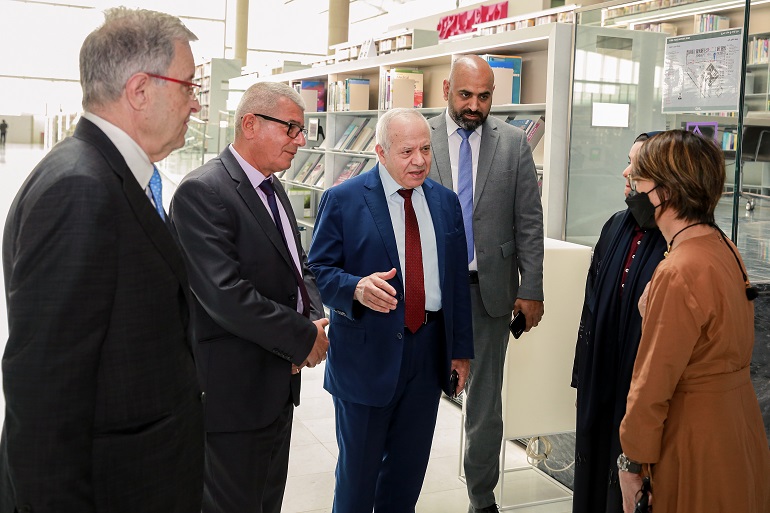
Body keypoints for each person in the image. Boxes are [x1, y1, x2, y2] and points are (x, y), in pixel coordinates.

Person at [0, 8, 204, 513]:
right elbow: (44, 398)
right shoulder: (80, 190)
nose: (196, 104)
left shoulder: (103, 174)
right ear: (140, 90)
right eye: (187, 86)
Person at [169, 81, 329, 513]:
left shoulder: (273, 188)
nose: (300, 141)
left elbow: (300, 266)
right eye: (292, 128)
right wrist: (301, 337)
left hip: (277, 386)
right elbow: (226, 295)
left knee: (265, 500)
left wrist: (315, 320)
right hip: (233, 396)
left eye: (304, 131)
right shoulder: (203, 191)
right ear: (251, 124)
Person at [307, 108, 473, 513]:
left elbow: (456, 284)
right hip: (367, 355)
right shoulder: (344, 199)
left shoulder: (446, 202)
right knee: (358, 479)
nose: (419, 161)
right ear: (380, 152)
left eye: (425, 149)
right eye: (406, 152)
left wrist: (461, 351)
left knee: (406, 476)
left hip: (428, 351)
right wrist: (356, 288)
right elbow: (317, 271)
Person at [617, 130, 770, 513]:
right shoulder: (723, 248)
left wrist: (631, 462)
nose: (632, 183)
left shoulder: (678, 270)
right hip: (738, 429)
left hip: (693, 440)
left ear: (665, 192)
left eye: (640, 178)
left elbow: (651, 385)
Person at [427, 54, 544, 513]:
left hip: (489, 292)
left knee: (485, 406)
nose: (475, 105)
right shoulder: (419, 138)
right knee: (416, 390)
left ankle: (482, 498)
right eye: (465, 95)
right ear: (446, 91)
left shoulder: (514, 144)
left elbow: (529, 222)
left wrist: (531, 286)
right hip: (429, 293)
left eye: (485, 96)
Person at [570, 132, 666, 513]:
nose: (625, 172)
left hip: (639, 391)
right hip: (601, 380)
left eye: (637, 166)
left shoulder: (678, 244)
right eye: (628, 161)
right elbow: (591, 307)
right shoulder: (615, 226)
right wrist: (584, 372)